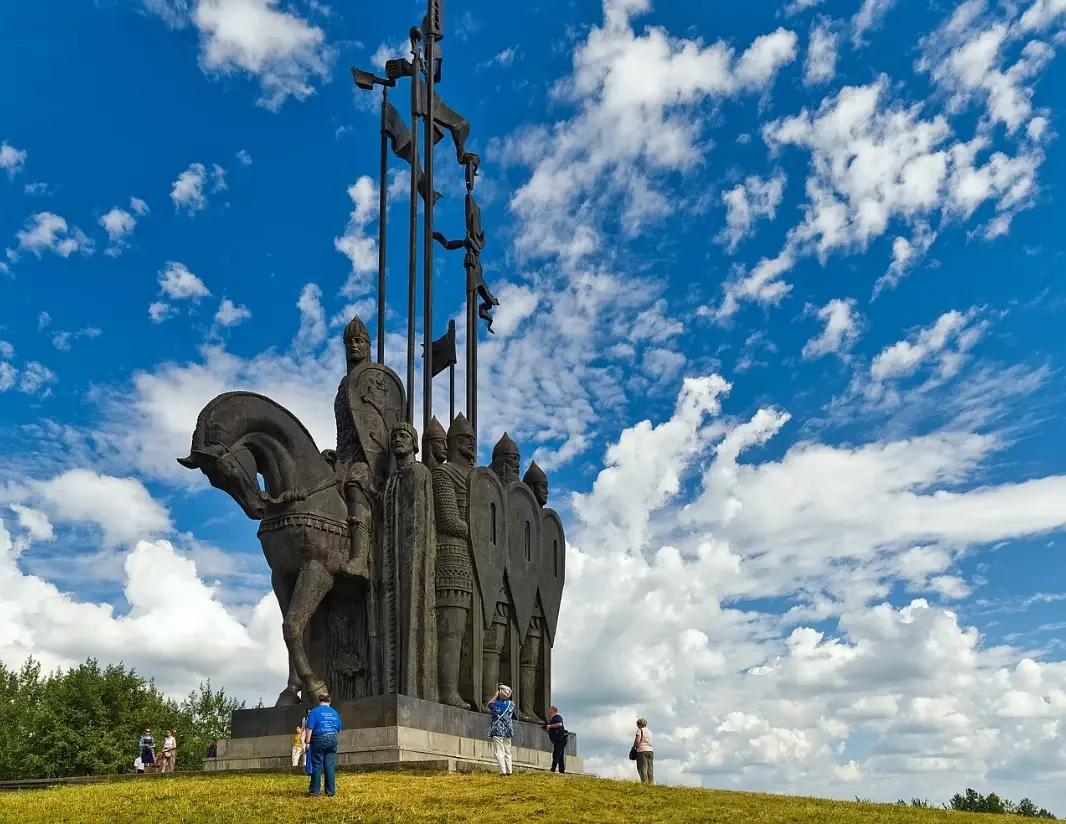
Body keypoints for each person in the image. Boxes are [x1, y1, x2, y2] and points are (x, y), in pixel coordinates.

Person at [304, 693, 342, 797]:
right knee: (329, 765)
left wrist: (307, 742)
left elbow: (309, 728)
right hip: (332, 738)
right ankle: (330, 792)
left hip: (318, 738)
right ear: (330, 701)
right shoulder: (334, 712)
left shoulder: (314, 712)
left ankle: (315, 792)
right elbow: (339, 729)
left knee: (317, 765)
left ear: (318, 701)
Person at [487, 685, 515, 776]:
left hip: (498, 730)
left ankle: (503, 772)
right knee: (508, 751)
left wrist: (496, 695)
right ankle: (509, 771)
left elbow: (489, 704)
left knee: (499, 751)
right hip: (508, 731)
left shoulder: (495, 704)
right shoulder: (511, 704)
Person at [541, 705, 567, 774]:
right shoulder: (552, 719)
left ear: (552, 710)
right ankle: (561, 770)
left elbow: (560, 724)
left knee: (556, 754)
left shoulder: (557, 717)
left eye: (549, 709)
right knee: (560, 755)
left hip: (560, 739)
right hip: (557, 740)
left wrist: (550, 726)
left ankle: (553, 769)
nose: (548, 711)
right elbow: (552, 730)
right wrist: (546, 729)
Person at [633, 718, 654, 784]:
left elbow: (637, 741)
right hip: (650, 750)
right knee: (650, 768)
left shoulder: (640, 730)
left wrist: (633, 747)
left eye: (637, 724)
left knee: (642, 767)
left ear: (640, 724)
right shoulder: (650, 731)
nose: (637, 726)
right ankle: (650, 782)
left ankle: (644, 782)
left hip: (642, 751)